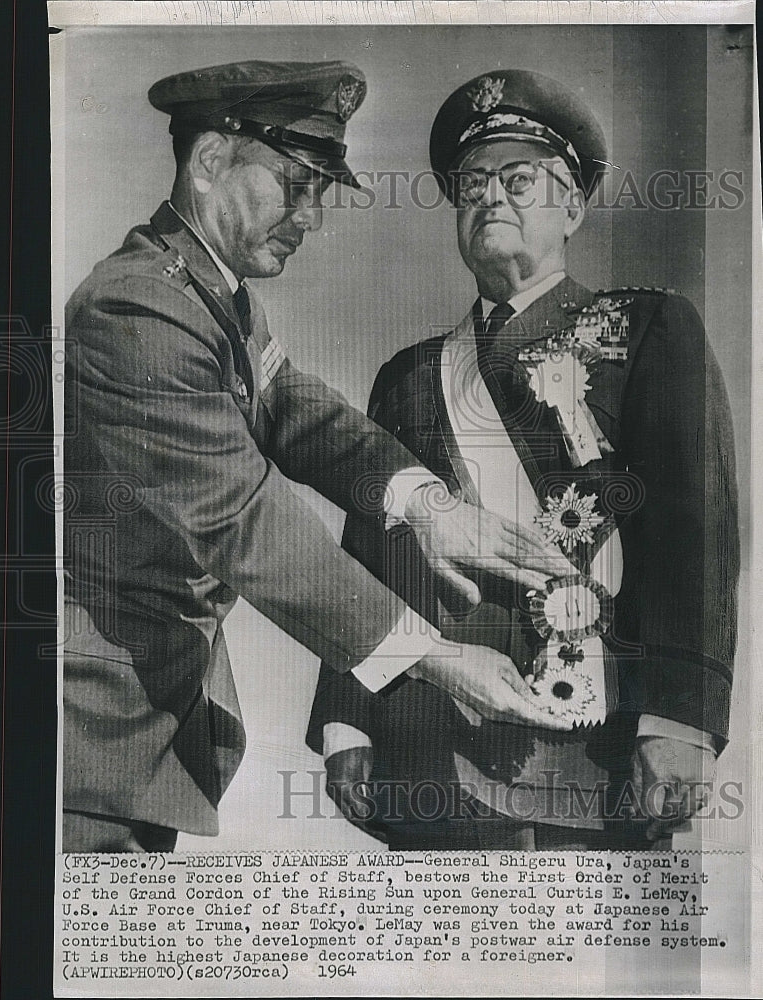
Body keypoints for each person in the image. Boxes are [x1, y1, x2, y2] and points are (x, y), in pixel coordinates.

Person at [62, 60, 574, 852]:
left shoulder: (212, 299)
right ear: (208, 163)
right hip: (87, 724)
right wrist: (430, 655)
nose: (312, 215)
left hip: (138, 717)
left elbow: (300, 414)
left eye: (322, 192)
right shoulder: (135, 306)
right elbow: (244, 522)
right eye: (296, 183)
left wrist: (426, 505)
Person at [308, 69, 740, 850]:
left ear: (572, 206)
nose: (490, 197)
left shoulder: (647, 328)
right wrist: (344, 720)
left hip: (582, 733)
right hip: (422, 735)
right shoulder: (406, 375)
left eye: (519, 178)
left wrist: (680, 716)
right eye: (472, 182)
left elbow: (692, 531)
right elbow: (365, 558)